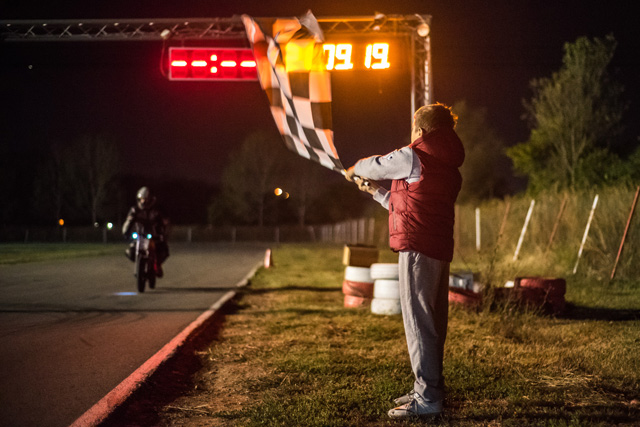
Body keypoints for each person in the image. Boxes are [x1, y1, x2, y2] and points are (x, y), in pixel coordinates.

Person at [345, 103, 464, 419]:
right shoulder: (448, 166)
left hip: (415, 248)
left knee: (418, 322)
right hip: (437, 248)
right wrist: (374, 192)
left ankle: (427, 399)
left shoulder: (415, 155)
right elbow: (410, 204)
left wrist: (356, 168)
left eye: (413, 131)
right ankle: (429, 390)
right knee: (433, 323)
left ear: (421, 130)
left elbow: (376, 165)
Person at [122, 186, 170, 277]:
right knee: (130, 251)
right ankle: (139, 267)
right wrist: (126, 232)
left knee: (163, 251)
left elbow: (165, 223)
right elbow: (128, 222)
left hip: (154, 236)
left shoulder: (157, 211)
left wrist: (163, 234)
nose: (143, 201)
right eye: (141, 199)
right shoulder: (135, 210)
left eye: (145, 199)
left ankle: (157, 266)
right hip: (140, 236)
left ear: (150, 199)